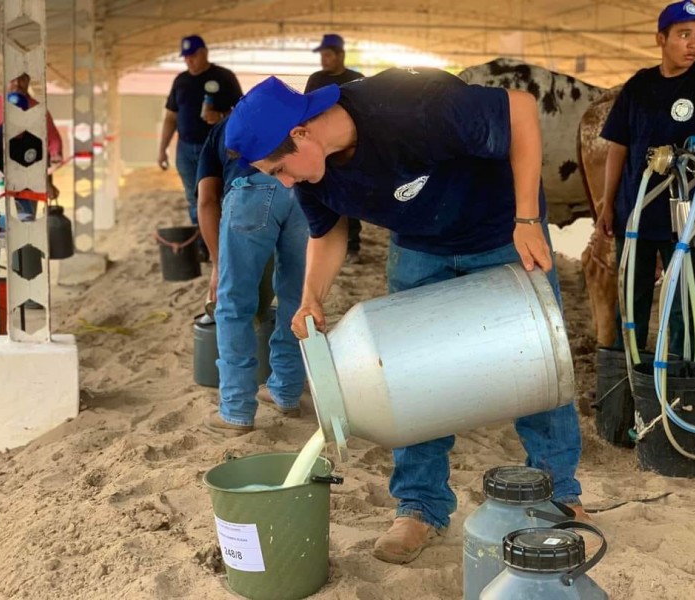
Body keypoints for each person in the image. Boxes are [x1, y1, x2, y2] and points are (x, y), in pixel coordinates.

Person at [224, 68, 585, 563]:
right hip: (419, 247)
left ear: (301, 132)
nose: (285, 183)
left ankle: (558, 492)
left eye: (280, 170)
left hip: (500, 232)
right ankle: (420, 507)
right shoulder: (314, 172)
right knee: (405, 376)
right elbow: (327, 231)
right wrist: (312, 297)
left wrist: (526, 217)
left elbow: (520, 109)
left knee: (536, 358)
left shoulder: (411, 105)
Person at [597, 0, 695, 357]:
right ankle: (626, 367)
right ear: (661, 38)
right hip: (637, 209)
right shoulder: (638, 86)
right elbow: (618, 146)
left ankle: (684, 368)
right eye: (683, 35)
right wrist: (606, 204)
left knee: (683, 298)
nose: (693, 44)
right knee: (632, 295)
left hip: (684, 214)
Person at [195, 79, 309, 434]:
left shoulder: (222, 131)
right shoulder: (291, 117)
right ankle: (286, 391)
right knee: (298, 298)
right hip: (304, 193)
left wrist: (217, 265)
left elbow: (206, 201)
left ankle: (236, 410)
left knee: (234, 302)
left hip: (251, 194)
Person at [158, 34, 243, 255]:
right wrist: (162, 149)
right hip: (186, 148)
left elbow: (242, 112)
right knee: (193, 196)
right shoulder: (181, 81)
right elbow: (170, 117)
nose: (189, 61)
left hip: (218, 148)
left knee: (222, 194)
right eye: (185, 58)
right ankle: (204, 244)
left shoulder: (224, 77)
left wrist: (221, 115)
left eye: (192, 56)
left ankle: (226, 242)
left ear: (204, 53)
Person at [0, 92, 59, 282]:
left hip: (24, 196)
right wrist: (0, 201)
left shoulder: (35, 141)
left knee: (27, 237)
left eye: (22, 113)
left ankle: (29, 288)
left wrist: (49, 185)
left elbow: (42, 166)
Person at [305, 33, 365, 264]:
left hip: (350, 149)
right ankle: (325, 241)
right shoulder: (316, 79)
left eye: (328, 55)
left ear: (341, 55)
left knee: (350, 195)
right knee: (322, 193)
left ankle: (352, 246)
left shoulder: (357, 79)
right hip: (322, 148)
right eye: (322, 55)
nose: (324, 60)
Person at [0, 73, 63, 165]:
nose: (17, 83)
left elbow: (52, 136)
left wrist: (55, 153)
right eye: (12, 79)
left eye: (22, 79)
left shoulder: (39, 110)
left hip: (31, 167)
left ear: (28, 80)